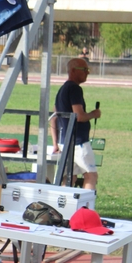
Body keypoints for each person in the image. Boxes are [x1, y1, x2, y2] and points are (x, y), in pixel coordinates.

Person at [49, 58, 101, 190]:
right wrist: (94, 114)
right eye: (84, 70)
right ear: (72, 71)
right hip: (78, 142)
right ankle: (87, 209)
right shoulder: (74, 88)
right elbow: (79, 116)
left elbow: (53, 118)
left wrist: (56, 143)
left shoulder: (62, 89)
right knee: (91, 176)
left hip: (64, 142)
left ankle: (63, 208)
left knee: (69, 177)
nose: (87, 73)